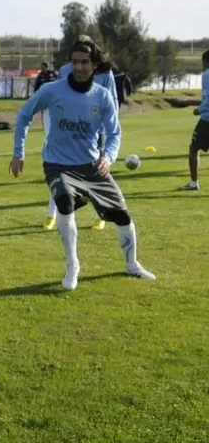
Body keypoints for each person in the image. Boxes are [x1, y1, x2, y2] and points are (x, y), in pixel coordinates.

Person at [10, 39, 155, 291]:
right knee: (64, 201)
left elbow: (114, 134)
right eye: (74, 61)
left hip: (91, 166)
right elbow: (24, 115)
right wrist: (18, 153)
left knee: (122, 215)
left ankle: (132, 264)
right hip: (57, 165)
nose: (79, 67)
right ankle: (72, 264)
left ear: (95, 65)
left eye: (84, 62)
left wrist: (108, 157)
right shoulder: (52, 90)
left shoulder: (103, 96)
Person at [45, 38, 114, 232]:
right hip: (68, 129)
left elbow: (112, 99)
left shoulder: (105, 73)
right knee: (58, 172)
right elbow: (58, 96)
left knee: (96, 174)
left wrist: (109, 126)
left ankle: (100, 215)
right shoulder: (66, 70)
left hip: (96, 131)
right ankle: (52, 214)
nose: (79, 66)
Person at [181, 49, 209, 191]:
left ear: (205, 62)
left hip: (207, 120)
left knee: (193, 148)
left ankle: (193, 183)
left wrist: (199, 109)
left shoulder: (207, 75)